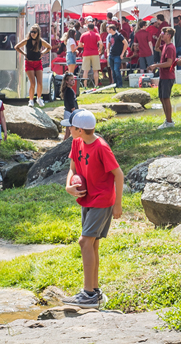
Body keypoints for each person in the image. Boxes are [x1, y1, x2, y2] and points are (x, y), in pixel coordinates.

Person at [62, 109, 124, 309]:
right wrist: (68, 185)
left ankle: (88, 294)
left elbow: (119, 175)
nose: (68, 129)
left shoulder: (102, 148)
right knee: (93, 244)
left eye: (70, 126)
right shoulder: (76, 142)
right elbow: (72, 167)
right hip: (87, 199)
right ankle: (95, 291)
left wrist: (118, 205)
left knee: (84, 242)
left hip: (102, 200)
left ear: (79, 130)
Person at [14, 25, 51, 107]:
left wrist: (43, 53)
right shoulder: (27, 41)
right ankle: (31, 100)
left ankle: (39, 98)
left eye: (34, 32)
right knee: (32, 83)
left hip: (38, 63)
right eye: (31, 32)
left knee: (40, 82)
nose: (32, 34)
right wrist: (24, 54)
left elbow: (49, 47)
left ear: (38, 33)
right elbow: (16, 47)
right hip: (29, 63)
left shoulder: (40, 41)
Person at [150, 28, 176, 129]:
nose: (161, 35)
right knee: (162, 97)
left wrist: (156, 66)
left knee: (166, 98)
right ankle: (167, 119)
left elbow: (169, 63)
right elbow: (156, 48)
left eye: (163, 33)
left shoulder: (170, 47)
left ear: (169, 35)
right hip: (163, 76)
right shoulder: (165, 45)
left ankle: (169, 121)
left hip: (168, 76)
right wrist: (160, 37)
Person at [78, 23, 102, 88]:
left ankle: (85, 85)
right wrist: (100, 49)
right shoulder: (96, 35)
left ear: (87, 28)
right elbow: (101, 43)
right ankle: (96, 85)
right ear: (93, 28)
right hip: (95, 53)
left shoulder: (83, 34)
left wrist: (85, 45)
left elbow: (79, 45)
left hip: (86, 53)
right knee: (96, 70)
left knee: (85, 70)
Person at [104, 24, 128, 88]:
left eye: (108, 29)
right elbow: (108, 45)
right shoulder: (109, 36)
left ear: (111, 29)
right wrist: (108, 52)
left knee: (116, 69)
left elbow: (125, 43)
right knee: (113, 70)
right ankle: (115, 84)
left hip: (117, 55)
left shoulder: (119, 35)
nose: (107, 30)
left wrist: (122, 53)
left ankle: (120, 84)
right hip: (111, 55)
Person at [62, 72, 79, 140]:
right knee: (69, 131)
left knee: (69, 131)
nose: (73, 81)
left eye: (73, 79)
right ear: (67, 81)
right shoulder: (69, 91)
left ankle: (65, 142)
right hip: (70, 112)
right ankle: (64, 143)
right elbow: (71, 103)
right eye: (71, 80)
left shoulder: (69, 90)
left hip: (69, 112)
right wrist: (74, 111)